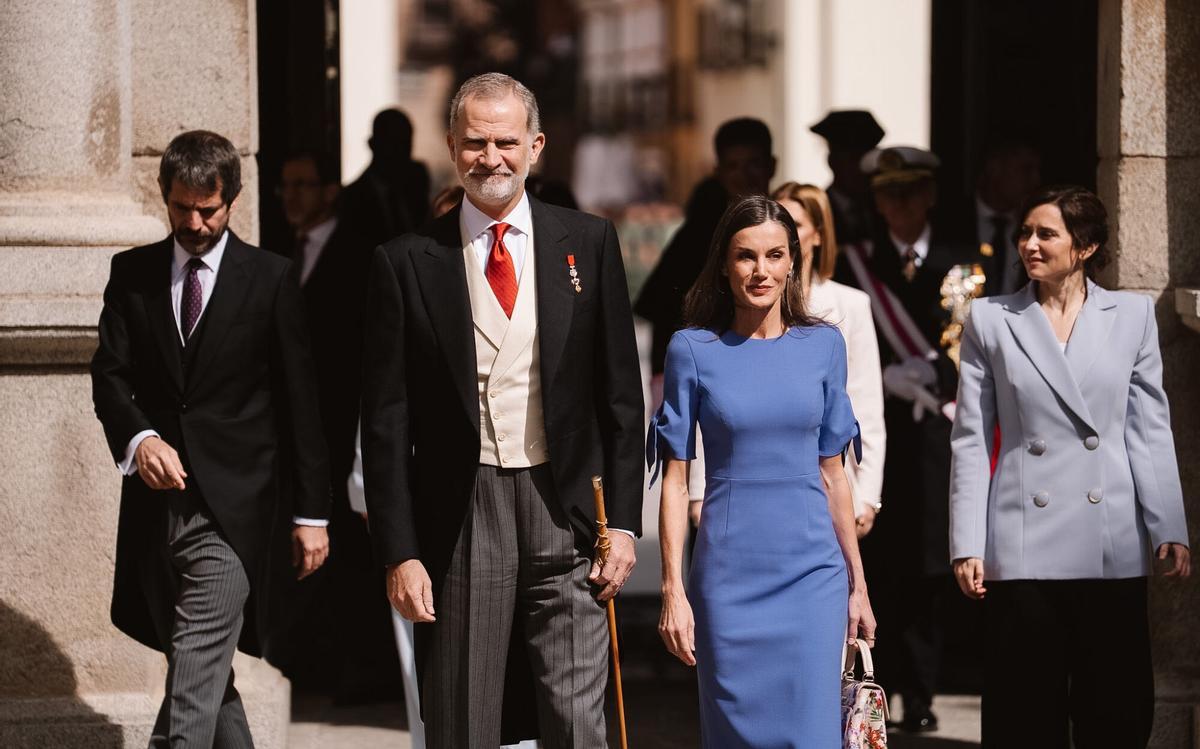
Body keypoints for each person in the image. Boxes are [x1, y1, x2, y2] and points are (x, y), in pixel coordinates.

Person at [360, 73, 644, 747]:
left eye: (507, 141)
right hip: (464, 510)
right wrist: (400, 552)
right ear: (452, 146)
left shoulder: (590, 242)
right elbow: (385, 421)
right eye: (476, 142)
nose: (492, 158)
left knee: (578, 717)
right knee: (463, 715)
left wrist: (626, 524)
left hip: (567, 505)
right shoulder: (405, 261)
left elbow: (623, 400)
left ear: (536, 145)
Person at [90, 130, 331, 747]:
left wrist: (312, 514)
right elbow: (110, 376)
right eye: (180, 208)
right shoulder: (132, 274)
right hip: (153, 514)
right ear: (164, 196)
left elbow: (301, 404)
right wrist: (140, 437)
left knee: (190, 697)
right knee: (206, 676)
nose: (194, 222)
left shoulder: (271, 278)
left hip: (236, 516)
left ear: (234, 199)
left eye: (208, 209)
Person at [950, 186, 1191, 748]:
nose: (1029, 245)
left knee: (1116, 711)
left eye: (1045, 234)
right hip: (1021, 540)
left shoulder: (1131, 315)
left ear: (1085, 247)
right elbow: (969, 438)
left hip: (1109, 542)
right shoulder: (990, 318)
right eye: (1025, 233)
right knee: (1024, 714)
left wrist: (1168, 526)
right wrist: (968, 541)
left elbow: (1148, 426)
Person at [652, 195, 876, 747]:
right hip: (728, 580)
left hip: (812, 577)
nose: (761, 271)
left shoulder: (824, 344)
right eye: (746, 256)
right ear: (724, 265)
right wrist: (672, 589)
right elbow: (676, 479)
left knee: (812, 734)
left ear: (794, 262)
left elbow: (834, 474)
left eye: (775, 255)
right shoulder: (691, 349)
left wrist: (859, 586)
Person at [835, 146, 987, 732]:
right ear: (876, 201)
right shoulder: (855, 265)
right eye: (887, 195)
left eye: (909, 193)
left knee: (926, 565)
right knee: (879, 557)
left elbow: (971, 341)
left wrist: (936, 376)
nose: (898, 205)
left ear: (928, 196)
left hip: (933, 433)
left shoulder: (961, 262)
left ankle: (920, 691)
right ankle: (881, 679)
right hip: (874, 430)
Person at [271, 151, 398, 701]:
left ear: (329, 191)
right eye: (285, 186)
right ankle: (309, 661)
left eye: (304, 184)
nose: (293, 196)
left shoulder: (361, 254)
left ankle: (363, 671)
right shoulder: (278, 253)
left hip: (345, 426)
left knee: (350, 548)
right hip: (292, 430)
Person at [772, 181, 886, 537]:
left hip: (828, 485)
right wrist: (699, 492)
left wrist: (867, 494)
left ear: (819, 235)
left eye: (797, 225)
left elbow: (865, 403)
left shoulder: (851, 305)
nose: (786, 235)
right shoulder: (747, 300)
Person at [634, 118, 777, 378]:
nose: (744, 176)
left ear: (771, 167)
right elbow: (665, 310)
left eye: (753, 164)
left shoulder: (788, 226)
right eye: (733, 166)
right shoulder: (697, 236)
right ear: (719, 171)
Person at [945, 138, 1043, 296]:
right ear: (994, 167)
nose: (1035, 180)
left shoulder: (1033, 225)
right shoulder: (950, 220)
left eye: (1037, 171)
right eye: (1026, 170)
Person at [340, 108, 432, 248]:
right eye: (391, 144)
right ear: (373, 144)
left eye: (404, 144)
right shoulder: (351, 199)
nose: (398, 153)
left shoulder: (416, 184)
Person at [810, 109, 886, 245]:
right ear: (832, 161)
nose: (861, 169)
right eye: (852, 159)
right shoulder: (815, 213)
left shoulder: (886, 209)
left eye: (866, 161)